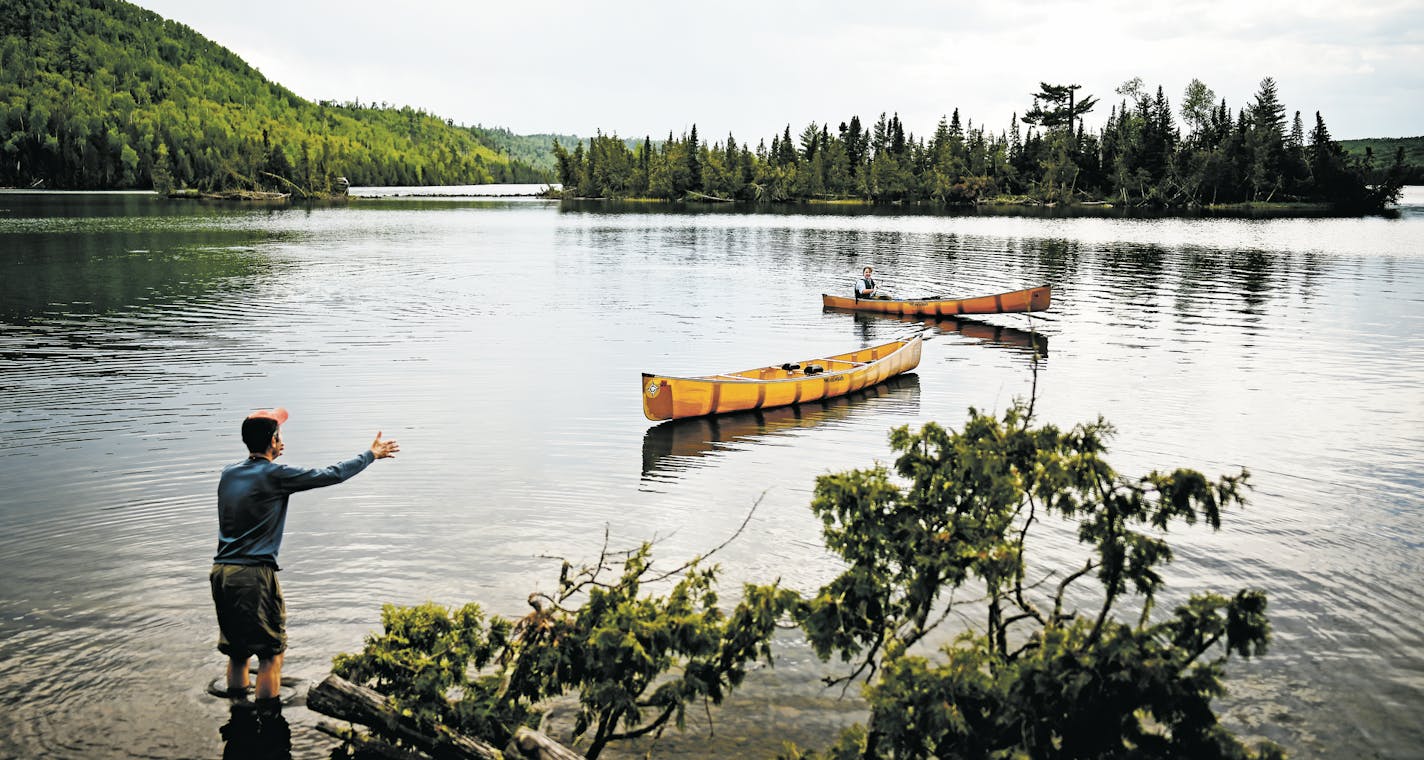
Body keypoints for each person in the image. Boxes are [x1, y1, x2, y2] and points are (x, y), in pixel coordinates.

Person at [210, 407, 399, 709]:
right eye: (279, 435)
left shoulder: (228, 473)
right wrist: (370, 455)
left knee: (238, 652)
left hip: (221, 572)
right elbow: (331, 474)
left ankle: (237, 716)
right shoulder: (275, 475)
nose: (282, 440)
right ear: (272, 440)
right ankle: (269, 724)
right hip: (254, 576)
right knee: (271, 653)